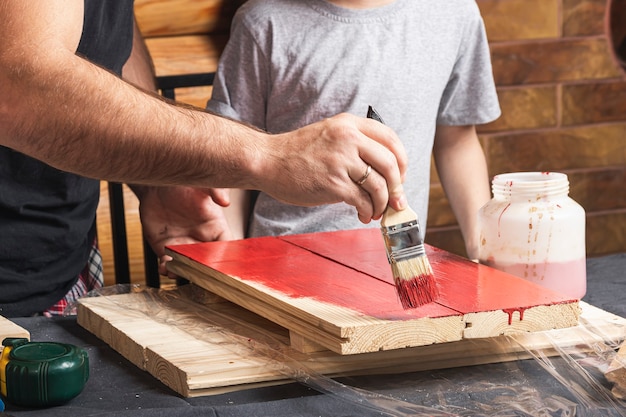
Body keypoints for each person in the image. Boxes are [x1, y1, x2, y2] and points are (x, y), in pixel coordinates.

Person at [0, 1, 408, 317]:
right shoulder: (264, 21)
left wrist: (158, 176)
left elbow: (104, 27)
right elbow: (18, 89)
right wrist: (269, 155)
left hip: (62, 264)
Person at [207, 0, 501, 260]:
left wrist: (485, 242)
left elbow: (457, 141)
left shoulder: (456, 12)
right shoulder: (262, 21)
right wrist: (225, 256)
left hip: (397, 262)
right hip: (281, 260)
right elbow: (233, 161)